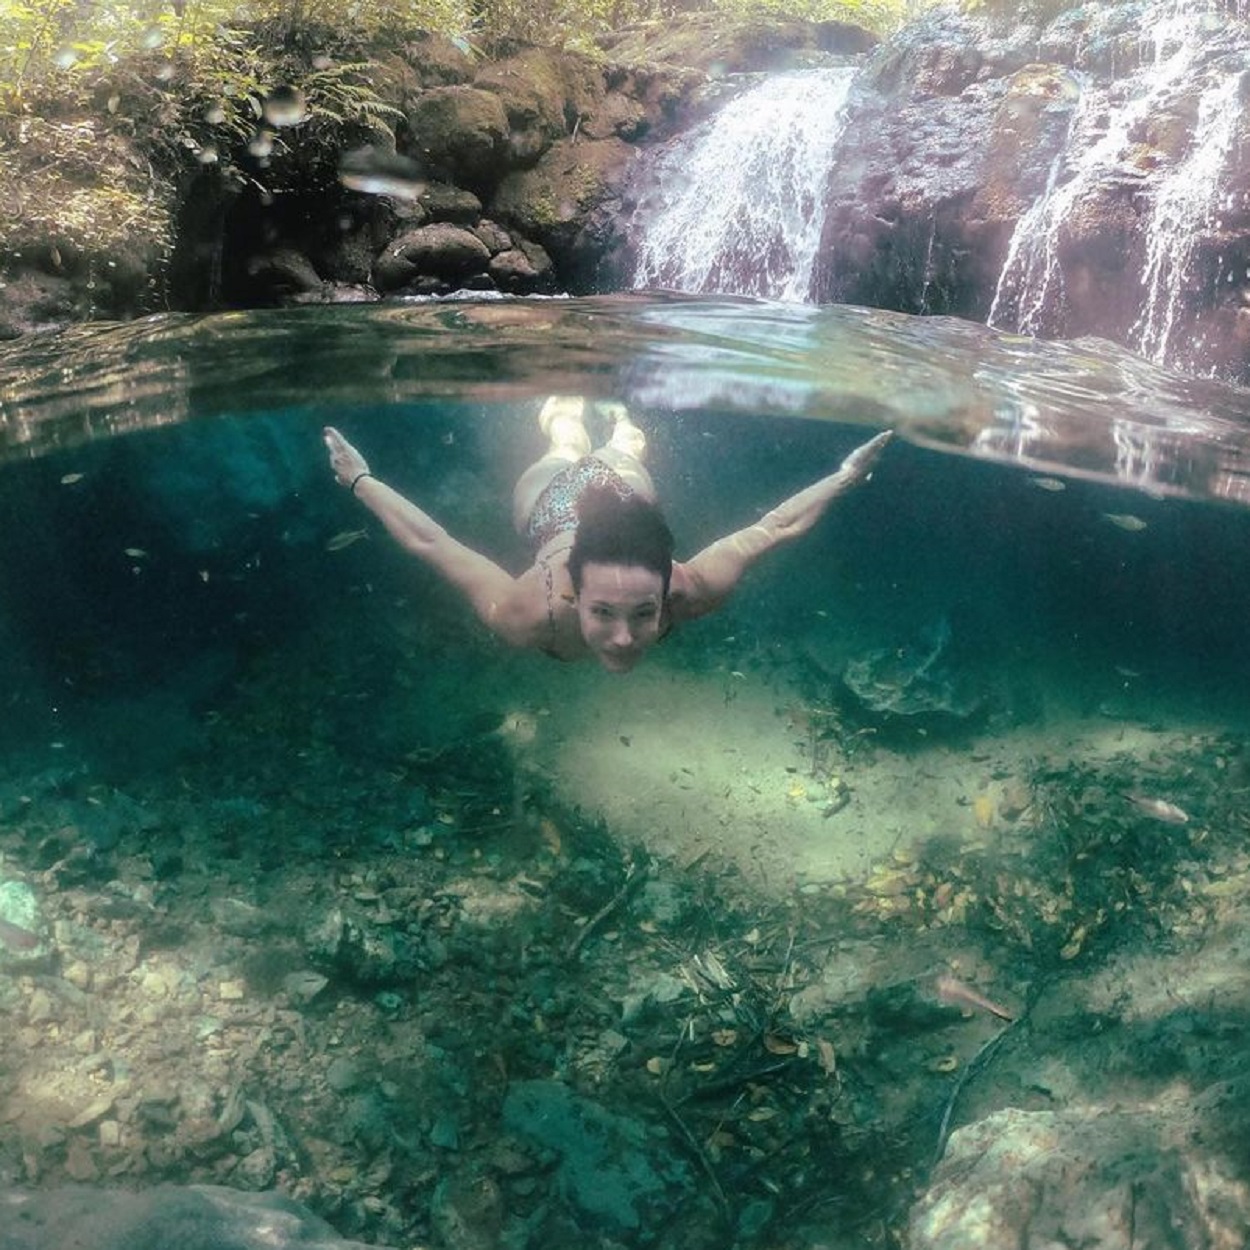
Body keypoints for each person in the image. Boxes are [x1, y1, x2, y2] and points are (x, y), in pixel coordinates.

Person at [324, 398, 890, 674]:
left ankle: (618, 421)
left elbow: (775, 528)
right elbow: (434, 544)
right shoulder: (528, 609)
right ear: (571, 590)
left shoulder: (692, 588)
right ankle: (565, 408)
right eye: (604, 614)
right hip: (553, 503)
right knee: (563, 446)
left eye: (643, 614)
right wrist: (359, 480)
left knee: (627, 449)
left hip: (624, 495)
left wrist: (846, 477)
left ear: (667, 590)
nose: (624, 639)